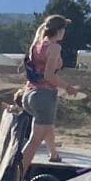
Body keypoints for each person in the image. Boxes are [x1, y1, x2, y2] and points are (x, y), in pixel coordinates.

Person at [22, 15, 70, 164]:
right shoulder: (55, 47)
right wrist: (68, 87)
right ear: (60, 30)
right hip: (44, 95)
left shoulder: (37, 44)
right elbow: (49, 75)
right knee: (34, 141)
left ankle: (53, 154)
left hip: (30, 93)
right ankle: (15, 174)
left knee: (47, 126)